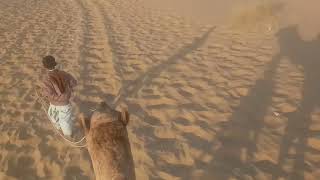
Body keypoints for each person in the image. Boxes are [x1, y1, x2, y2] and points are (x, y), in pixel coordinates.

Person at [39, 55, 77, 138]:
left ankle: (68, 136)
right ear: (55, 63)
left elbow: (48, 93)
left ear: (44, 66)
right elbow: (74, 82)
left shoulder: (46, 79)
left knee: (53, 117)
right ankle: (67, 134)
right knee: (65, 120)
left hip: (54, 103)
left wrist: (42, 94)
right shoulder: (64, 74)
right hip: (65, 103)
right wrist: (68, 89)